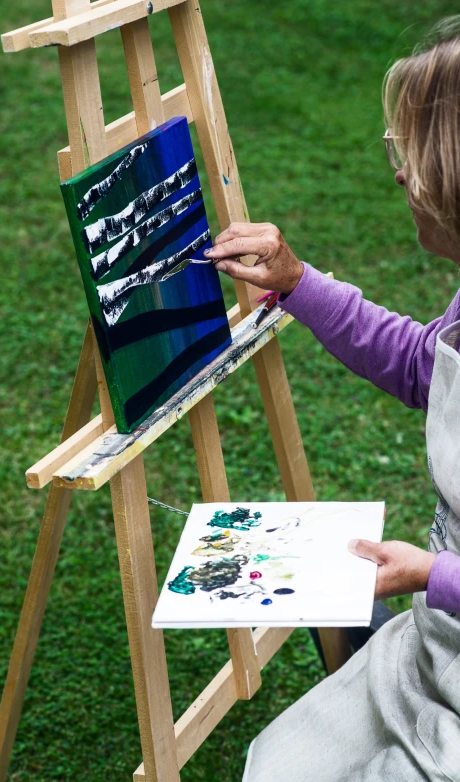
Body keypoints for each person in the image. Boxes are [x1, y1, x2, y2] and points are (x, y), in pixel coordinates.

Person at [204, 18, 460, 782]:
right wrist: (297, 283)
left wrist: (429, 574)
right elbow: (427, 365)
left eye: (408, 156)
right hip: (438, 643)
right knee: (275, 765)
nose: (399, 177)